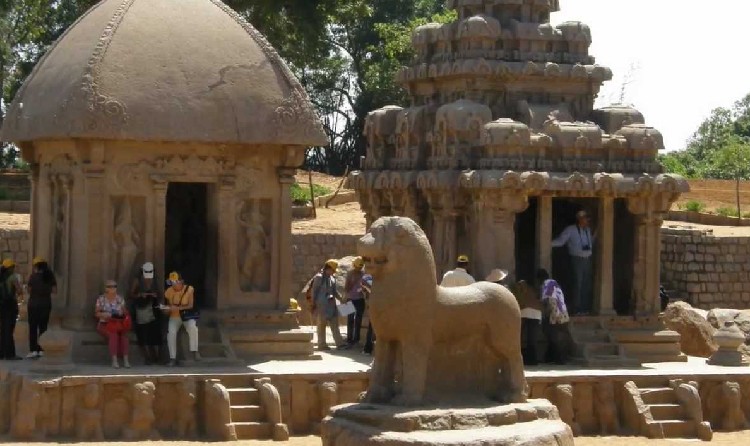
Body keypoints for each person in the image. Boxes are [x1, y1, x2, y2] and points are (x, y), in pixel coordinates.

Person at [551, 210, 595, 315]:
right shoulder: (570, 230)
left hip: (587, 259)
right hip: (577, 259)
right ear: (579, 219)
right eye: (585, 218)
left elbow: (590, 243)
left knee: (586, 284)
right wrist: (547, 244)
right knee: (578, 283)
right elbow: (561, 241)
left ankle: (585, 309)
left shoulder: (588, 230)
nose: (587, 221)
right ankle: (576, 308)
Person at [164, 272, 200, 366]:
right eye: (172, 282)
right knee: (171, 333)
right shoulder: (169, 291)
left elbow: (190, 305)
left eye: (176, 282)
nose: (174, 284)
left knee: (193, 328)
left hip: (186, 315)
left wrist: (178, 308)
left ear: (181, 281)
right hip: (174, 316)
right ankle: (172, 358)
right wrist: (167, 309)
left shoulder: (189, 289)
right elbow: (169, 305)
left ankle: (194, 351)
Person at [536, 269, 571, 365]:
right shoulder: (555, 283)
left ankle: (559, 358)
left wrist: (545, 315)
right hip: (563, 312)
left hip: (555, 313)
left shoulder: (546, 284)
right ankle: (553, 357)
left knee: (553, 336)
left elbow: (548, 301)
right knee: (557, 336)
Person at [94, 280, 131, 368]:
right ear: (106, 288)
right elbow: (96, 313)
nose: (113, 288)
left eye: (114, 286)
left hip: (118, 323)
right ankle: (114, 360)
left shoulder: (120, 299)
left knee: (124, 337)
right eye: (110, 286)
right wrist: (105, 314)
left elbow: (125, 312)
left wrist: (122, 313)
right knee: (113, 335)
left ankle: (126, 360)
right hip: (105, 323)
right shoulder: (101, 299)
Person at [130, 262, 161, 365]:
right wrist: (140, 295)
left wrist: (155, 295)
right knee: (144, 333)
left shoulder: (155, 279)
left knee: (154, 333)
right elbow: (132, 294)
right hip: (142, 308)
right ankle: (147, 357)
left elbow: (159, 292)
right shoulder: (138, 280)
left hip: (153, 307)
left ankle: (156, 356)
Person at [311, 259, 346, 351]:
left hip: (331, 305)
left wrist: (341, 299)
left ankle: (340, 343)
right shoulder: (318, 277)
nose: (333, 272)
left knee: (335, 324)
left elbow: (334, 292)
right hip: (321, 305)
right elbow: (314, 291)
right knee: (321, 326)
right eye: (333, 270)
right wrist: (313, 304)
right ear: (328, 268)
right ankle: (322, 344)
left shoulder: (332, 278)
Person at [26, 257, 57, 359]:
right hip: (45, 304)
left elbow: (29, 290)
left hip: (33, 304)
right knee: (43, 327)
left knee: (33, 328)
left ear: (36, 266)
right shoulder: (50, 277)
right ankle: (41, 349)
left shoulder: (33, 277)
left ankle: (33, 350)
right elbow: (54, 290)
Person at [511, 277, 543, 366]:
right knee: (532, 338)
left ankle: (527, 360)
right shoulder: (533, 289)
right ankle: (532, 359)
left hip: (525, 312)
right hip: (536, 314)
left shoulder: (518, 289)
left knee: (523, 337)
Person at [0, 259, 21, 360]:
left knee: (3, 330)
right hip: (10, 306)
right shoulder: (13, 277)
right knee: (9, 330)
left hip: (1, 306)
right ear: (11, 268)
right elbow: (19, 290)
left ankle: (1, 353)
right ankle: (10, 354)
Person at [344, 257, 367, 347]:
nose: (359, 269)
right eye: (358, 267)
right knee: (350, 319)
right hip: (350, 298)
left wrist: (363, 289)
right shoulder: (350, 274)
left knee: (358, 319)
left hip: (360, 299)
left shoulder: (363, 274)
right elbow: (346, 287)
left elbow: (365, 286)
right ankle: (349, 339)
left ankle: (356, 338)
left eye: (360, 267)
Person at [361, 273, 375, 355]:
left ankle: (368, 349)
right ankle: (368, 348)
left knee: (371, 328)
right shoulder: (367, 278)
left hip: (375, 307)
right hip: (374, 307)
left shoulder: (367, 279)